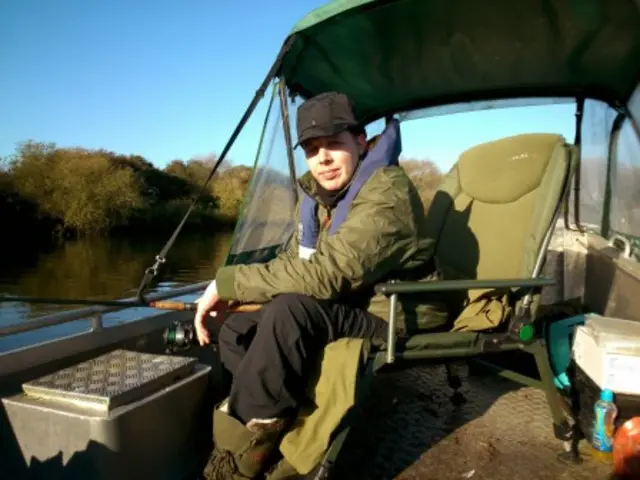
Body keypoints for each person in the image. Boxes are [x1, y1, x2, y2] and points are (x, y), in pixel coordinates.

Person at [194, 91, 438, 479]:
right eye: (311, 148)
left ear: (360, 142)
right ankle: (281, 430)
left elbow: (326, 275)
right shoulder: (316, 196)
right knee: (237, 329)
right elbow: (294, 261)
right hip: (346, 304)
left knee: (289, 310)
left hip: (390, 311)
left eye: (333, 144)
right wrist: (239, 294)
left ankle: (236, 466)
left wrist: (227, 282)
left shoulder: (387, 194)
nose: (321, 158)